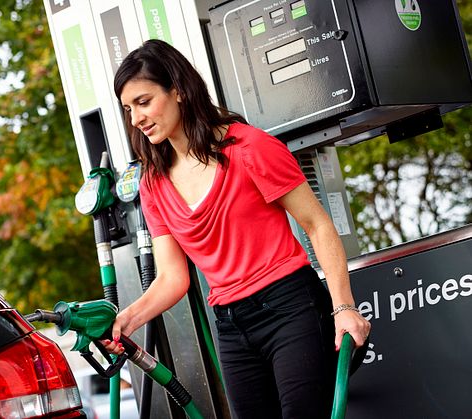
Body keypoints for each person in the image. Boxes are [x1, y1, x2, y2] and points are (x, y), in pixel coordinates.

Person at [101, 39, 371, 419]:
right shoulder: (154, 183)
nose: (136, 119)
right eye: (128, 109)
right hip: (230, 325)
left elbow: (317, 224)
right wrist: (124, 321)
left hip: (290, 308)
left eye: (144, 102)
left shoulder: (249, 148)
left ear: (178, 90)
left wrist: (343, 307)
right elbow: (172, 278)